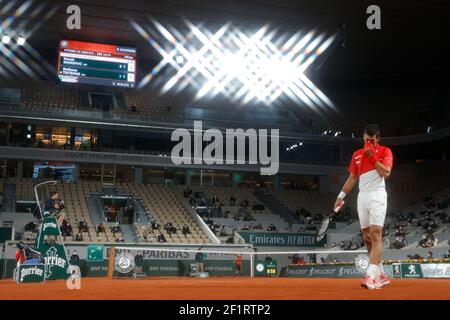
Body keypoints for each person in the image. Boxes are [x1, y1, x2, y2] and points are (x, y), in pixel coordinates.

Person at [334, 124, 393, 289]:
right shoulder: (356, 155)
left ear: (378, 139)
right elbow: (352, 178)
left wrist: (373, 157)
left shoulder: (385, 151)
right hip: (363, 196)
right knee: (367, 237)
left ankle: (370, 276)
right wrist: (340, 196)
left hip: (378, 195)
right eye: (367, 140)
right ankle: (380, 274)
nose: (369, 143)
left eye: (372, 140)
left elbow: (386, 173)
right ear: (363, 137)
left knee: (376, 234)